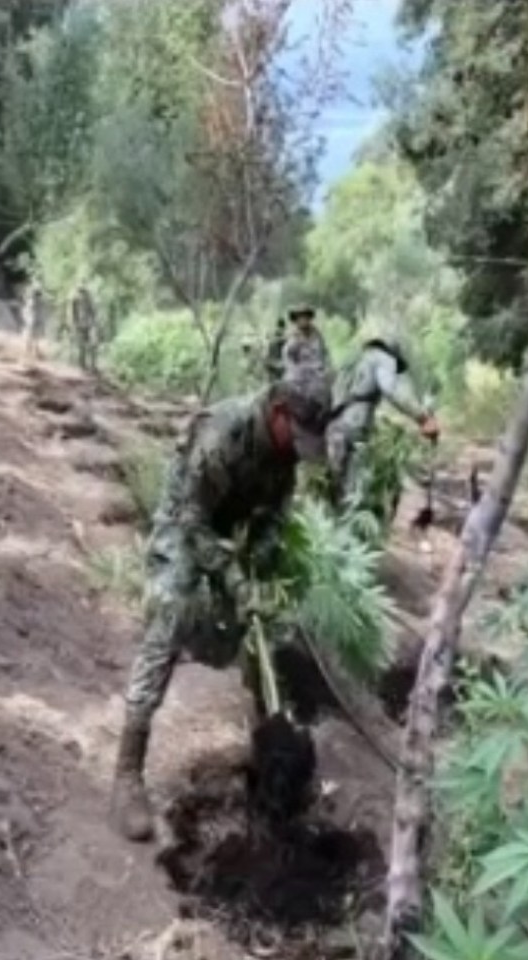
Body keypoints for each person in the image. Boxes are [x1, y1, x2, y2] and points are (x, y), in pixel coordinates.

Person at [110, 377, 332, 843]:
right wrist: (233, 578)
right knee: (172, 612)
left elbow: (275, 517)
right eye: (298, 437)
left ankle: (271, 756)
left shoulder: (286, 453)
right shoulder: (222, 435)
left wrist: (260, 562)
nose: (299, 452)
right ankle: (127, 773)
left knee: (266, 626)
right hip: (187, 522)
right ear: (279, 413)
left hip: (233, 527)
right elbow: (193, 522)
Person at [326, 336, 439, 509]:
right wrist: (422, 417)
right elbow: (392, 391)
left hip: (334, 423)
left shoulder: (356, 357)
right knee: (352, 488)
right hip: (355, 424)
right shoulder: (382, 358)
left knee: (334, 483)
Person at [282, 304, 329, 383]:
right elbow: (288, 358)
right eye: (300, 317)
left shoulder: (317, 336)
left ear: (309, 319)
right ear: (296, 320)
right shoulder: (292, 337)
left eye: (305, 317)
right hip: (297, 373)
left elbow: (323, 354)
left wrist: (324, 367)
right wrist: (295, 371)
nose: (303, 320)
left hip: (316, 371)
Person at [70, 285, 98, 373]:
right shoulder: (75, 301)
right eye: (81, 292)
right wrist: (75, 324)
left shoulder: (89, 301)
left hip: (89, 324)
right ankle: (83, 365)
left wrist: (94, 322)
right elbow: (73, 314)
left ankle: (92, 365)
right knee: (82, 345)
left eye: (83, 292)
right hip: (81, 325)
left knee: (92, 344)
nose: (82, 295)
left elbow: (93, 312)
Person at [264, 316, 287, 381]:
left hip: (281, 368)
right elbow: (267, 360)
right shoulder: (273, 342)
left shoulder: (286, 340)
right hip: (275, 369)